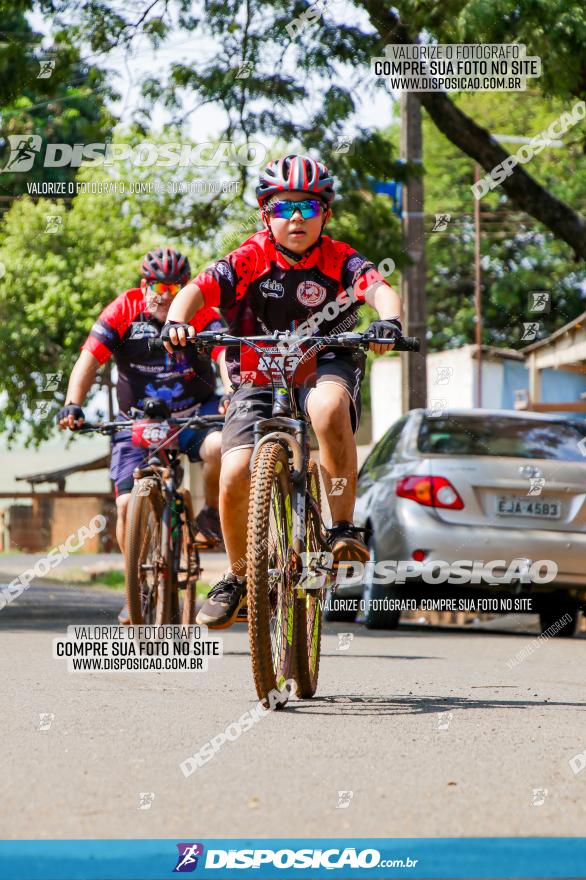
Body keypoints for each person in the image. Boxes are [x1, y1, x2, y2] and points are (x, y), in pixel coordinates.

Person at [162, 155, 404, 627]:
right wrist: (176, 320)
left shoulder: (340, 258)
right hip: (257, 370)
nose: (296, 218)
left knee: (329, 406)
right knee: (233, 471)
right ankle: (237, 578)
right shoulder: (249, 256)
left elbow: (380, 290)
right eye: (284, 207)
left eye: (309, 208)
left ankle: (340, 529)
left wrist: (389, 322)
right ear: (265, 214)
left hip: (325, 359)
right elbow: (197, 289)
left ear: (325, 215)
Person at [58, 246, 230, 623]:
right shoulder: (123, 309)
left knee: (222, 448)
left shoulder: (200, 310)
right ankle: (135, 586)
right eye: (159, 287)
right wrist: (73, 403)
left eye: (175, 287)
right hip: (136, 420)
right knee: (123, 504)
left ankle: (211, 515)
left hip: (193, 415)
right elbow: (88, 358)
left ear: (185, 287)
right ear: (144, 284)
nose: (167, 295)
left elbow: (223, 356)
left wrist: (232, 391)